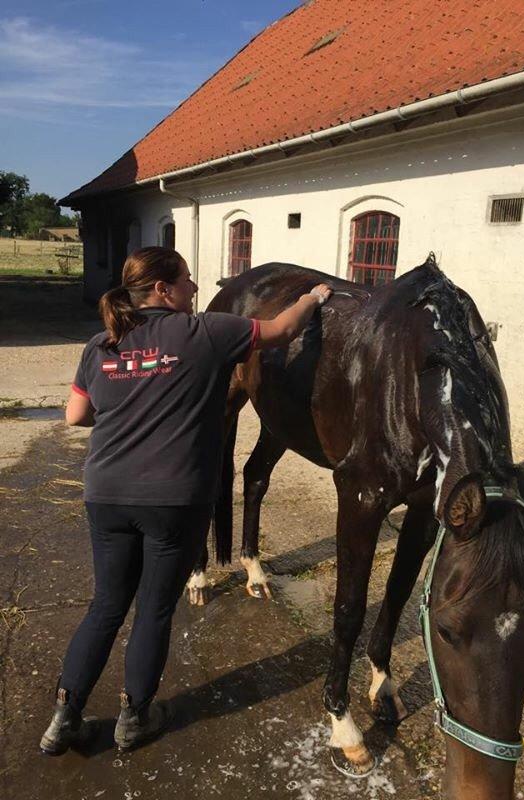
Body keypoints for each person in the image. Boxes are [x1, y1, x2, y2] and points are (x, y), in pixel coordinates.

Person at [39, 246, 332, 755]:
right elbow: (283, 330)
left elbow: (74, 416)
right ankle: (135, 717)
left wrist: (127, 404)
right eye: (188, 280)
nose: (196, 289)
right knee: (153, 609)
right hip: (173, 499)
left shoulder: (99, 344)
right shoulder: (206, 332)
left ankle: (65, 715)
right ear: (162, 289)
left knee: (107, 605)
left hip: (105, 493)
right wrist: (314, 296)